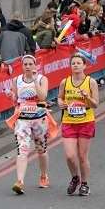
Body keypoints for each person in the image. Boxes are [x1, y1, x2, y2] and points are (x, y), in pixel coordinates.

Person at [7, 55, 50, 195]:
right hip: (23, 119)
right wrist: (11, 96)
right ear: (22, 65)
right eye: (25, 64)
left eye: (31, 64)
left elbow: (43, 96)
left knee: (41, 150)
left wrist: (35, 80)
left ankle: (43, 175)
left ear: (35, 65)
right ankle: (20, 181)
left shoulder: (42, 79)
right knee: (22, 149)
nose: (28, 66)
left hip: (39, 118)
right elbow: (15, 100)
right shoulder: (17, 80)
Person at [58, 54, 99, 197]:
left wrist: (87, 96)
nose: (75, 65)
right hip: (69, 121)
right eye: (73, 63)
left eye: (78, 63)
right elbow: (59, 98)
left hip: (86, 121)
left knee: (82, 156)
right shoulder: (65, 82)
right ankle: (75, 177)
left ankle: (85, 184)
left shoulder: (91, 82)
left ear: (84, 66)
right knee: (70, 156)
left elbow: (96, 104)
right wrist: (60, 103)